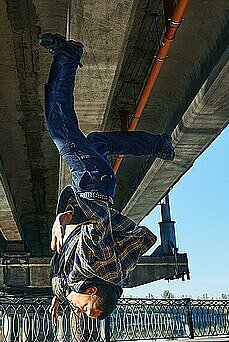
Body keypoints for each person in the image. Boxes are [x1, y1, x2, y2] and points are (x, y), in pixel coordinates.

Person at [39, 33, 175, 322]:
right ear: (91, 288)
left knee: (98, 142)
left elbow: (141, 237)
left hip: (100, 184)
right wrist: (63, 219)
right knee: (58, 126)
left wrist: (58, 298)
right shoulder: (94, 262)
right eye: (85, 308)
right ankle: (68, 55)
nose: (79, 310)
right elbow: (99, 219)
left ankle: (159, 144)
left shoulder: (109, 275)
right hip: (91, 183)